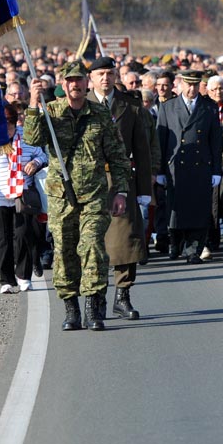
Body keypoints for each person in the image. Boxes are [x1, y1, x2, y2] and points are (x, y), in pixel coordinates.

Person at [26, 62, 131, 332]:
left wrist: (120, 191)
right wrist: (33, 103)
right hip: (61, 197)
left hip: (94, 195)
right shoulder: (51, 112)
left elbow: (117, 156)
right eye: (70, 80)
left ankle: (93, 307)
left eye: (80, 80)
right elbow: (32, 139)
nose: (75, 85)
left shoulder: (100, 114)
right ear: (64, 84)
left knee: (93, 246)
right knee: (64, 251)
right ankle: (71, 308)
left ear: (87, 83)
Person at [88, 56, 153, 319]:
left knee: (126, 239)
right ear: (91, 78)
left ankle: (122, 295)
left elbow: (142, 150)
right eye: (100, 74)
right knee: (93, 241)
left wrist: (145, 189)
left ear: (116, 76)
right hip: (89, 182)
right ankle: (95, 298)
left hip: (121, 181)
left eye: (109, 73)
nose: (105, 78)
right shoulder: (81, 104)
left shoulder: (130, 106)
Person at [0, 104, 49, 293]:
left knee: (23, 235)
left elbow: (42, 155)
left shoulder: (27, 137)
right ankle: (6, 279)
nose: (4, 129)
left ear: (14, 123)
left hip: (22, 195)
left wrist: (35, 163)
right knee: (2, 239)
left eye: (7, 125)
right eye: (0, 124)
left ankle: (24, 276)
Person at [156, 69, 223, 263]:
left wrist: (216, 170)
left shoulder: (209, 107)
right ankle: (175, 243)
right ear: (181, 84)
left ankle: (194, 250)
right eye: (188, 84)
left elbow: (215, 141)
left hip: (200, 166)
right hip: (175, 167)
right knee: (176, 209)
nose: (192, 89)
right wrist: (159, 170)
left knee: (198, 209)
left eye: (195, 85)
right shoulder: (168, 107)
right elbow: (160, 141)